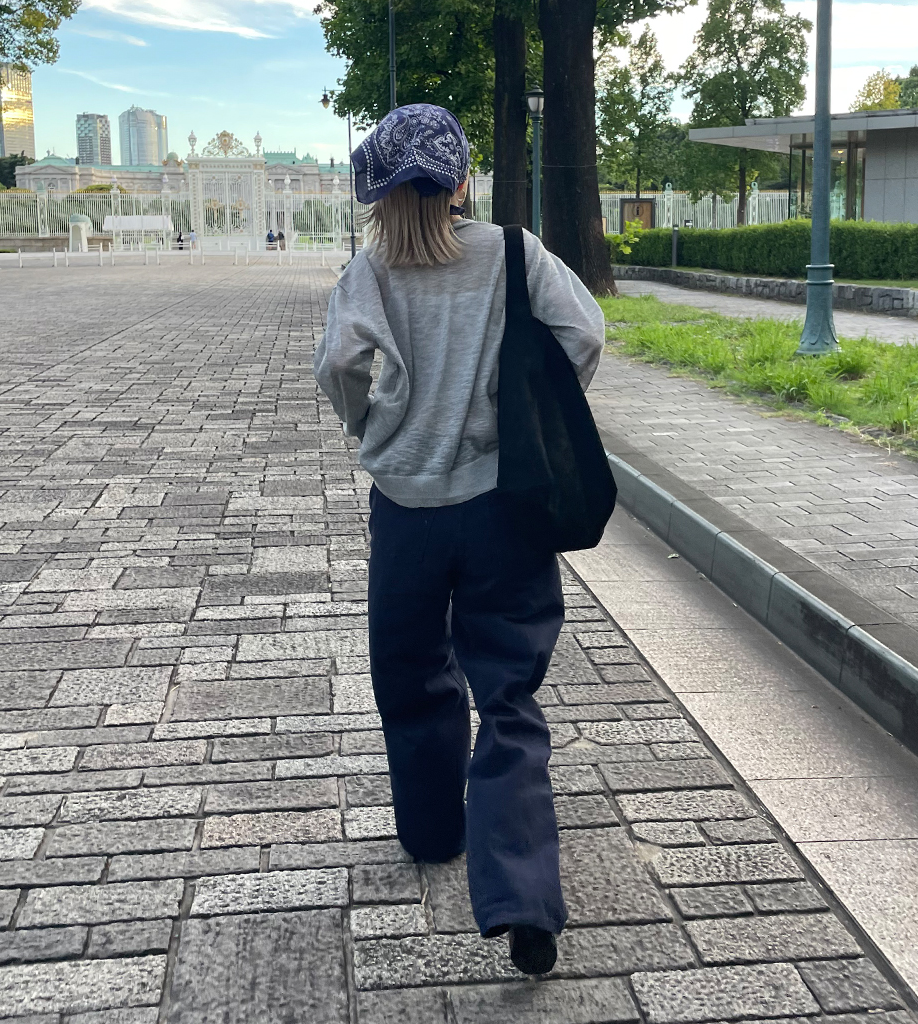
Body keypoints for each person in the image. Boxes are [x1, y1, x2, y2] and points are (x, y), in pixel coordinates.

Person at [313, 104, 604, 976]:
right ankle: (524, 897)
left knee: (411, 674)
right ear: (461, 180)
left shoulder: (370, 269)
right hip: (502, 503)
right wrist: (529, 408)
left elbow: (338, 366)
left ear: (376, 193)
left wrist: (373, 423)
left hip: (407, 508)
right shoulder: (513, 251)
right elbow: (584, 333)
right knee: (509, 692)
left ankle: (434, 831)